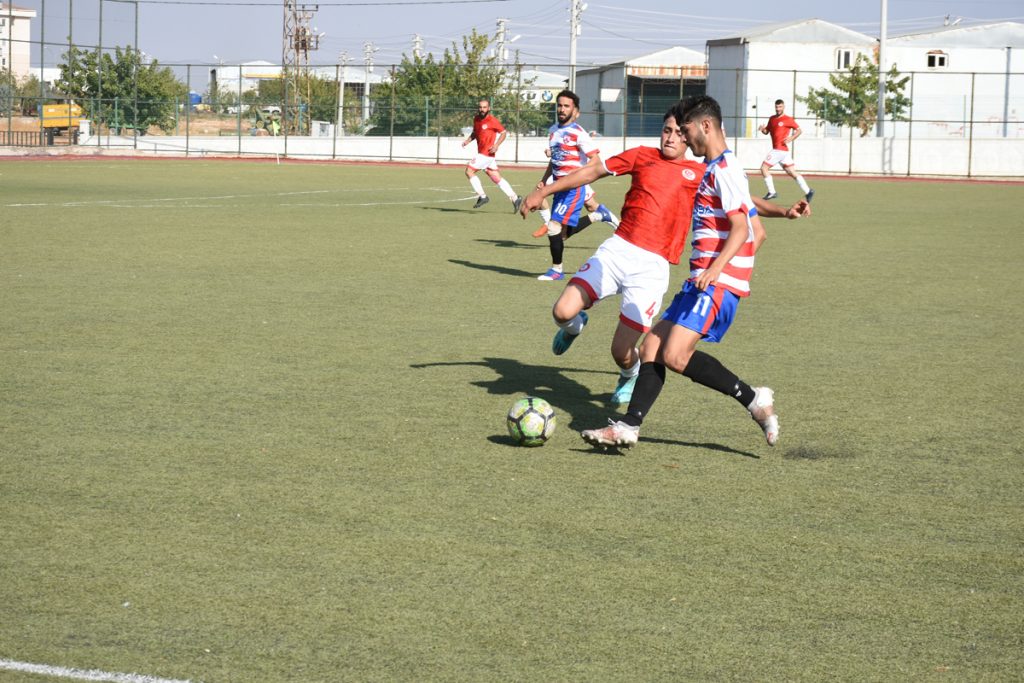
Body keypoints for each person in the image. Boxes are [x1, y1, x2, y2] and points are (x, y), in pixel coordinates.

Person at [521, 101, 808, 408]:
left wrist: (784, 211)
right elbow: (592, 171)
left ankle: (628, 374)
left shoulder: (702, 172)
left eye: (677, 133)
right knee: (562, 311)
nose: (670, 137)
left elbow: (745, 200)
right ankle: (575, 326)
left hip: (652, 268)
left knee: (621, 351)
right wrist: (544, 191)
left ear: (688, 137)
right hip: (618, 249)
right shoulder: (641, 156)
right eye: (666, 130)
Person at [580, 95, 787, 450]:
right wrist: (783, 212)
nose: (684, 136)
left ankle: (754, 399)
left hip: (715, 282)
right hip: (702, 282)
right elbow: (757, 226)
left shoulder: (724, 168)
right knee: (652, 347)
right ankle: (630, 425)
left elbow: (742, 229)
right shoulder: (717, 168)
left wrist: (721, 272)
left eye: (687, 128)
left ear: (705, 125)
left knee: (675, 356)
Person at [533, 90, 618, 281]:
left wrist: (578, 176)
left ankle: (556, 270)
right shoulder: (553, 131)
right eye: (560, 105)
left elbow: (595, 161)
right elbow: (554, 159)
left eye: (566, 106)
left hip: (573, 188)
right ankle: (597, 215)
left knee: (553, 227)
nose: (562, 109)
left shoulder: (579, 133)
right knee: (560, 236)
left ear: (576, 111)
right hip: (558, 186)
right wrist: (545, 178)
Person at [461, 97, 522, 210]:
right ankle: (515, 197)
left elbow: (503, 133)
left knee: (469, 171)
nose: (482, 109)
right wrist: (467, 141)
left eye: (484, 107)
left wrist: (497, 145)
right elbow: (475, 132)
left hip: (486, 153)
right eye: (480, 107)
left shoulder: (492, 120)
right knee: (496, 177)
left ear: (489, 108)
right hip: (485, 155)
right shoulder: (476, 119)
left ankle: (482, 196)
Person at [758, 99, 814, 203]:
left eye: (780, 107)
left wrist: (791, 138)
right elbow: (767, 131)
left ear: (783, 107)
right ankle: (808, 191)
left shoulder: (788, 119)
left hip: (779, 149)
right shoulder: (772, 118)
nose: (778, 109)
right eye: (776, 107)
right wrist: (762, 129)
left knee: (764, 168)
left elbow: (799, 130)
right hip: (783, 152)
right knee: (792, 172)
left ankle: (772, 192)